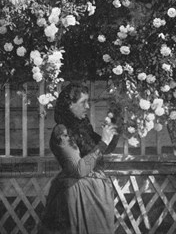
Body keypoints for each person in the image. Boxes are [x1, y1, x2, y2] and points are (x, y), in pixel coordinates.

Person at [40, 82, 120, 234]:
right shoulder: (61, 131)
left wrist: (113, 129)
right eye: (83, 103)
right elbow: (79, 169)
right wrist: (103, 142)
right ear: (70, 105)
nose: (87, 107)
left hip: (97, 197)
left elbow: (105, 149)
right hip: (76, 196)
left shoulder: (83, 128)